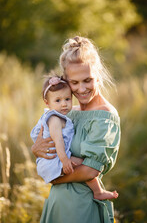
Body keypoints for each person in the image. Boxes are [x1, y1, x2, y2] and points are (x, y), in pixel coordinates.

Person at [31, 36, 121, 223]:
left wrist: (53, 178)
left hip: (80, 206)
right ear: (66, 81)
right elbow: (47, 146)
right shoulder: (67, 113)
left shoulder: (105, 117)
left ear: (98, 75)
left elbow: (90, 171)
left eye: (87, 80)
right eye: (74, 82)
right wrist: (36, 150)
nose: (81, 89)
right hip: (57, 203)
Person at [30, 74, 118, 200]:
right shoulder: (54, 119)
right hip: (55, 159)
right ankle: (98, 191)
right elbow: (58, 140)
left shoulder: (63, 116)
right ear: (47, 103)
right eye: (58, 101)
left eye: (67, 99)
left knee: (83, 164)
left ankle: (98, 191)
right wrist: (65, 160)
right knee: (83, 164)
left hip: (57, 157)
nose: (64, 104)